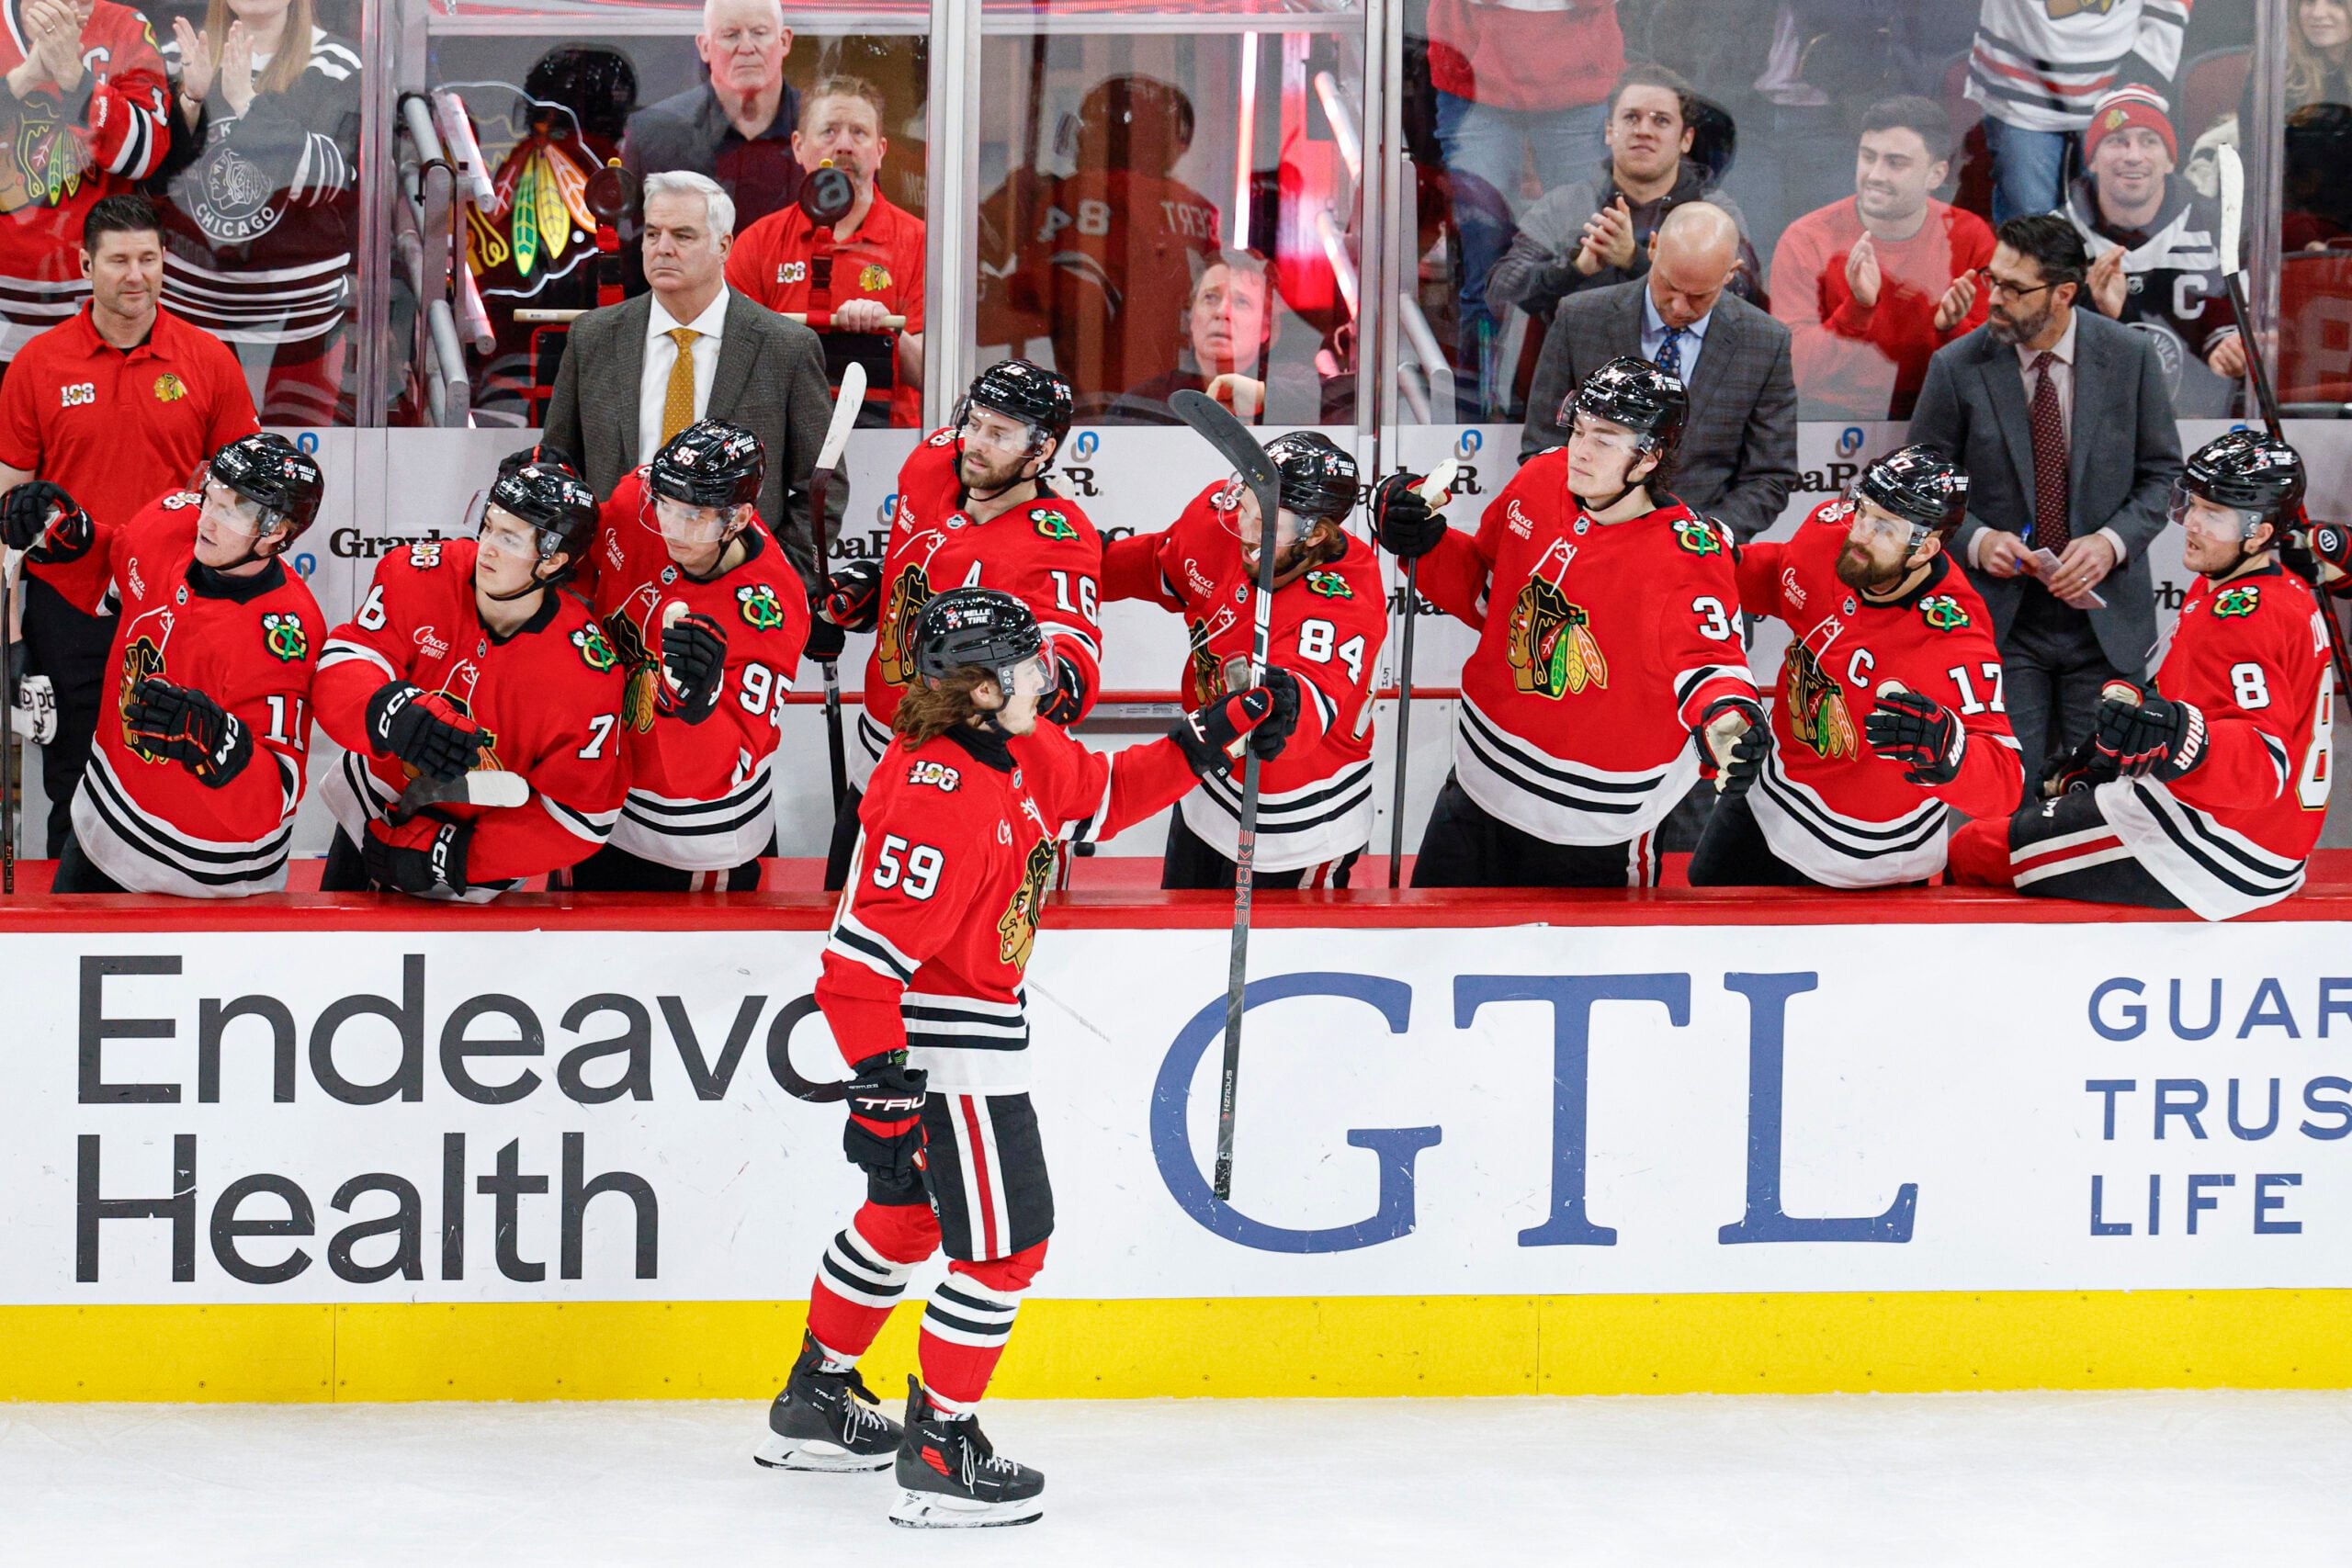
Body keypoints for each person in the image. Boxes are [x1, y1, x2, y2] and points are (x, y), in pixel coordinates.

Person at [754, 586, 1298, 1528]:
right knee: (1009, 1247)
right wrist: (883, 1083)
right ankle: (939, 1447)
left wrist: (1214, 734)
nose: (1047, 675)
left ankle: (814, 1401)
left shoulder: (1013, 746)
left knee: (908, 1223)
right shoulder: (939, 795)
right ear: (982, 684)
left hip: (964, 1036)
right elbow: (856, 965)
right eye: (1030, 663)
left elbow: (1108, 796)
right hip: (948, 1051)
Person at [1374, 356, 1760, 887]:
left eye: (1604, 439)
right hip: (1478, 788)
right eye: (1579, 428)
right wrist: (1422, 539)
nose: (1580, 449)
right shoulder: (1540, 478)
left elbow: (1710, 662)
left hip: (1595, 827)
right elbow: (1489, 596)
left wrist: (1730, 718)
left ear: (1649, 459)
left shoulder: (1688, 552)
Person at [1950, 431, 2333, 920]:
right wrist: (2105, 758)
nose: (2191, 523)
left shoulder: (2244, 616)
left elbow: (2261, 763)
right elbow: (2193, 700)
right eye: (2193, 504)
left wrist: (2179, 738)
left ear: (2258, 534)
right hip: (2265, 839)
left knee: (1974, 847)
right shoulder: (2269, 586)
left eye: (2214, 515)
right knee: (2032, 816)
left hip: (2214, 848)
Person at [0, 193, 256, 858]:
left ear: (165, 261)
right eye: (118, 260)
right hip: (68, 606)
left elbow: (250, 500)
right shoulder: (38, 363)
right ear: (86, 263)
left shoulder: (208, 360)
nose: (135, 275)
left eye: (148, 258)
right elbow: (7, 501)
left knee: (173, 771)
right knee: (73, 782)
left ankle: (173, 914)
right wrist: (11, 633)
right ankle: (66, 931)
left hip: (174, 603)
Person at [1908, 212, 2183, 781]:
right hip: (1999, 624)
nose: (1996, 299)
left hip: (2105, 625)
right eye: (1992, 280)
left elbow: (2162, 475)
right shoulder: (1957, 367)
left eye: (2013, 287)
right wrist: (1979, 540)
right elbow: (1917, 489)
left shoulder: (2129, 357)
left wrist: (2110, 544)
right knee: (2006, 797)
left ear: (2063, 293)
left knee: (2106, 803)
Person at [811, 360, 1102, 889]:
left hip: (966, 782)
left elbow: (1072, 664)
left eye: (999, 434)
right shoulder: (931, 464)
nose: (975, 442)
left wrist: (1040, 679)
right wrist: (865, 593)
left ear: (1043, 450)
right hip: (876, 756)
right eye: (974, 422)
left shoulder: (1057, 543)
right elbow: (915, 568)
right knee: (838, 930)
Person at [4, 432, 321, 894]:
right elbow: (114, 574)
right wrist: (64, 535)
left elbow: (276, 795)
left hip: (206, 873)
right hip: (101, 829)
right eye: (210, 496)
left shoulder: (284, 636)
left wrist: (220, 744)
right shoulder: (171, 523)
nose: (207, 520)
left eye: (233, 509)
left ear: (277, 531)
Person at [1692, 446, 2021, 888]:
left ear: (1924, 548)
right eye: (1864, 510)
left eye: (1884, 527)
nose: (1860, 533)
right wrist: (1717, 565)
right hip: (1768, 794)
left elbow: (2005, 782)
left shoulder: (1952, 636)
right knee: (1707, 921)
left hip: (1865, 853)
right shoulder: (1833, 531)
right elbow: (1785, 582)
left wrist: (1949, 750)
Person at [312, 454, 626, 900]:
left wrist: (456, 856)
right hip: (370, 812)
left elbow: (580, 817)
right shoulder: (419, 572)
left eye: (511, 539)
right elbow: (347, 658)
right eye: (490, 526)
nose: (489, 548)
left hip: (474, 863)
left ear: (554, 561)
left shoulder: (587, 672)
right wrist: (389, 712)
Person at [1101, 432, 1385, 888]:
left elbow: (1311, 692)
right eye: (1246, 505)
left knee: (1277, 961)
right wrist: (1072, 563)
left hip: (1298, 820)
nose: (1246, 529)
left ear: (1318, 534)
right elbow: (1157, 567)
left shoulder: (1343, 597)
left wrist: (1287, 707)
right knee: (1181, 949)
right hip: (1205, 790)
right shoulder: (1221, 521)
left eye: (1268, 520)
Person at [540, 168, 837, 581]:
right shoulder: (593, 337)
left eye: (682, 236)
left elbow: (823, 486)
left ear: (724, 246)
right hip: (608, 579)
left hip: (735, 586)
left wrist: (776, 575)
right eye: (652, 234)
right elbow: (560, 462)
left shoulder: (784, 347)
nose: (662, 249)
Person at [570, 421, 808, 892]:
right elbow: (580, 563)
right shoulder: (638, 499)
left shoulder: (767, 614)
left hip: (688, 839)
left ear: (738, 519)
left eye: (694, 516)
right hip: (599, 802)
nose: (671, 529)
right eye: (666, 507)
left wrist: (698, 711)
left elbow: (721, 770)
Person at [1521, 204, 1795, 546]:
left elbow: (1769, 476)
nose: (1679, 307)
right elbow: (1542, 448)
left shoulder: (1765, 343)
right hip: (1583, 540)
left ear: (1731, 274)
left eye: (1699, 295)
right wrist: (1582, 524)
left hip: (1698, 551)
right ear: (1652, 247)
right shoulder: (1579, 319)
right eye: (1669, 285)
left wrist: (1701, 537)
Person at [155, 0, 362, 425]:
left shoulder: (339, 65)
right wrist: (191, 100)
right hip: (191, 312)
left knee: (290, 470)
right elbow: (154, 178)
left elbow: (329, 180)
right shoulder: (178, 53)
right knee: (190, 468)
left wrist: (248, 104)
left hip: (301, 321)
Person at [976, 74, 1222, 411]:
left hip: (1102, 409)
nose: (1081, 134)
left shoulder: (1084, 193)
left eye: (1091, 124)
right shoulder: (1199, 209)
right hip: (1181, 403)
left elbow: (1068, 298)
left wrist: (984, 296)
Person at [1424, 0, 1624, 405]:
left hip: (1576, 79)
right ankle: (1478, 420)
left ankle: (1591, 412)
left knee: (1589, 267)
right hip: (1471, 75)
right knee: (1483, 270)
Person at [1770, 96, 1994, 422]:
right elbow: (1792, 372)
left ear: (1936, 174)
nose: (1874, 174)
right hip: (1825, 419)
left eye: (1896, 163)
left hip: (1936, 414)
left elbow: (1991, 371)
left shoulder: (1970, 237)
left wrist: (1953, 329)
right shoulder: (1806, 239)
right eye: (1868, 157)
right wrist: (1857, 310)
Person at [1483, 65, 1758, 327]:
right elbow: (1502, 291)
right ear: (1609, 132)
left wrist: (1634, 260)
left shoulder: (1716, 213)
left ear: (1686, 139)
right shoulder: (1565, 206)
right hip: (1581, 366)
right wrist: (1574, 268)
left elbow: (1739, 298)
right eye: (1631, 118)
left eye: (1661, 120)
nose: (1643, 131)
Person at [724, 75, 924, 426]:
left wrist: (887, 332)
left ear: (880, 151)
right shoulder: (758, 241)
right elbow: (728, 365)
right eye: (829, 131)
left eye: (859, 132)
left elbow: (932, 374)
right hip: (780, 437)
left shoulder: (919, 242)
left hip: (889, 443)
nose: (844, 145)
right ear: (799, 147)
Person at [0, 0, 173, 362]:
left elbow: (146, 155)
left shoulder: (126, 26)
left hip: (96, 301)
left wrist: (76, 81)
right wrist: (27, 76)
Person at [2063, 86, 2245, 419]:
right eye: (2117, 141)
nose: (2133, 155)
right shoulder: (2054, 237)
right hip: (2088, 425)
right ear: (2091, 159)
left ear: (2170, 160)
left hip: (2199, 422)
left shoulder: (2222, 227)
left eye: (2149, 140)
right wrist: (2097, 312)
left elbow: (2244, 328)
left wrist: (2233, 348)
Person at [619, 0, 799, 285]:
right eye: (731, 35)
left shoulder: (829, 134)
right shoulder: (654, 135)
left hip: (800, 319)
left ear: (784, 40)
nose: (746, 47)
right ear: (704, 47)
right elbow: (630, 253)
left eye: (759, 32)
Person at [1964, 0, 2193, 224]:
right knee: (2030, 229)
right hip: (2017, 86)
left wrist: (2143, 74)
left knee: (2113, 224)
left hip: (2112, 86)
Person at [1102, 249, 1326, 425]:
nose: (1222, 312)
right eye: (1210, 297)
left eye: (1241, 302)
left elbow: (1345, 400)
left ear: (1266, 328)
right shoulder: (1145, 404)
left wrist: (1264, 396)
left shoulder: (1299, 388)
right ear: (1190, 318)